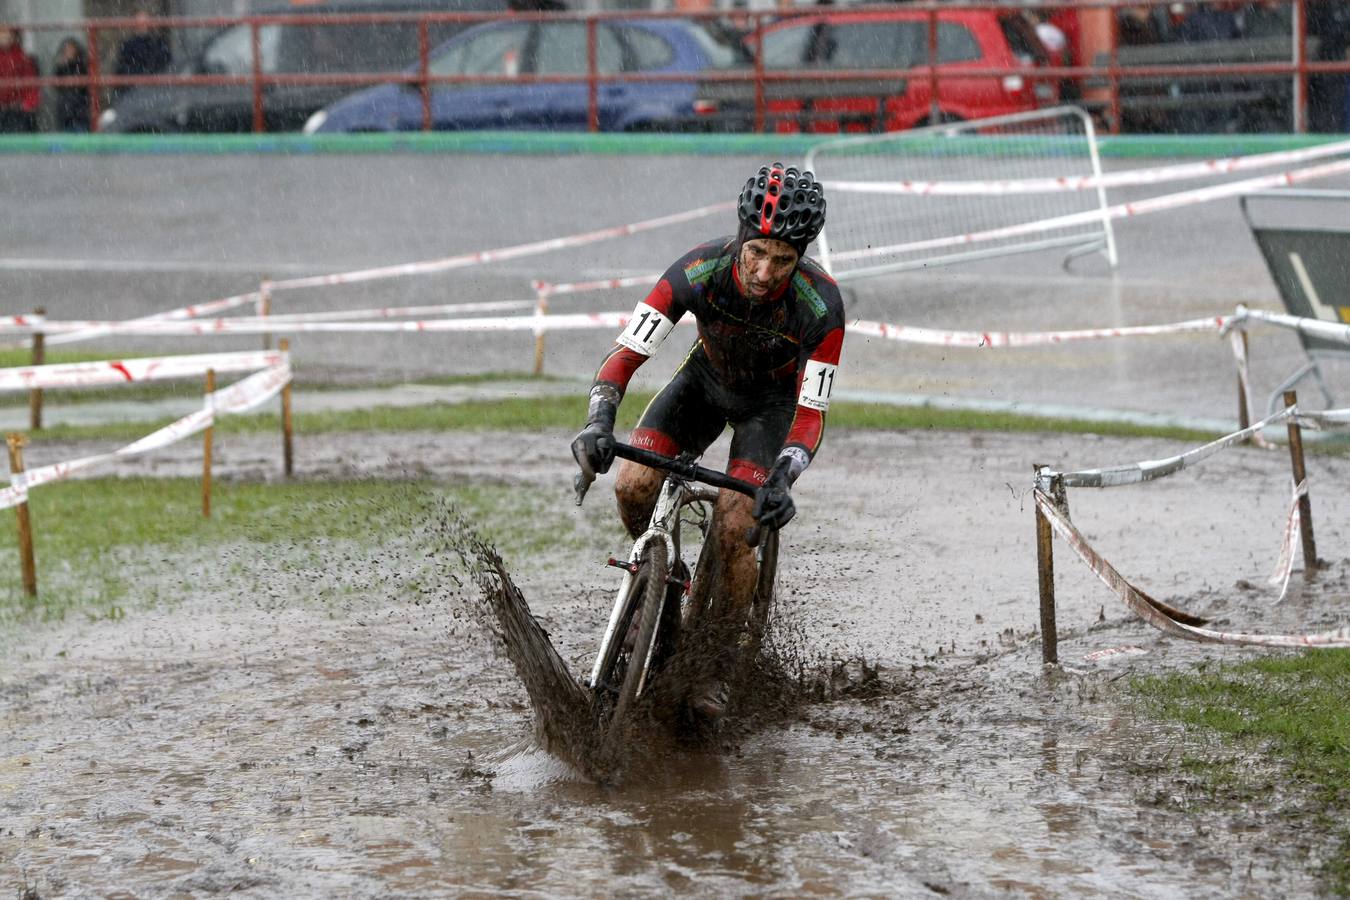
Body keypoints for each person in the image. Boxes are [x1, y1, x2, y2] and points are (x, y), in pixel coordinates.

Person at [571, 162, 845, 721]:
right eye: (757, 254)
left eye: (784, 260)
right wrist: (600, 421)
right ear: (741, 238)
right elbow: (627, 355)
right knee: (633, 484)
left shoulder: (822, 305)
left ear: (803, 258)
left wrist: (785, 477)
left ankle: (716, 662)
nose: (766, 273)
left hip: (769, 409)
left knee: (736, 525)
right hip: (703, 385)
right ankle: (660, 597)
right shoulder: (698, 270)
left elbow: (811, 413)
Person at [115, 10, 171, 94]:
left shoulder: (159, 43)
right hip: (135, 90)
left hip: (155, 89)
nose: (142, 25)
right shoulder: (127, 46)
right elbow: (123, 69)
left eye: (145, 22)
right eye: (139, 22)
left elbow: (166, 65)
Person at [0, 25, 39, 133]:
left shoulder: (22, 58)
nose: (3, 38)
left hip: (19, 109)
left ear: (13, 37)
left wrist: (28, 104)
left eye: (6, 34)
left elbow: (31, 85)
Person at [51, 38, 90, 132]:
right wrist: (63, 66)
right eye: (66, 49)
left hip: (80, 111)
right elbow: (56, 85)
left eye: (71, 49)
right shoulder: (61, 67)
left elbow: (82, 86)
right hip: (66, 112)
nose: (69, 52)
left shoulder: (82, 66)